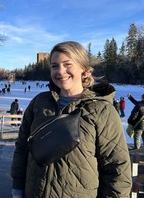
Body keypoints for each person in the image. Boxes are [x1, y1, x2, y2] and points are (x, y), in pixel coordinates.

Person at [11, 41, 132, 198]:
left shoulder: (102, 111)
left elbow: (117, 167)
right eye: (55, 66)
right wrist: (17, 189)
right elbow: (22, 148)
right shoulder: (39, 103)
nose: (60, 71)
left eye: (67, 64)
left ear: (85, 70)